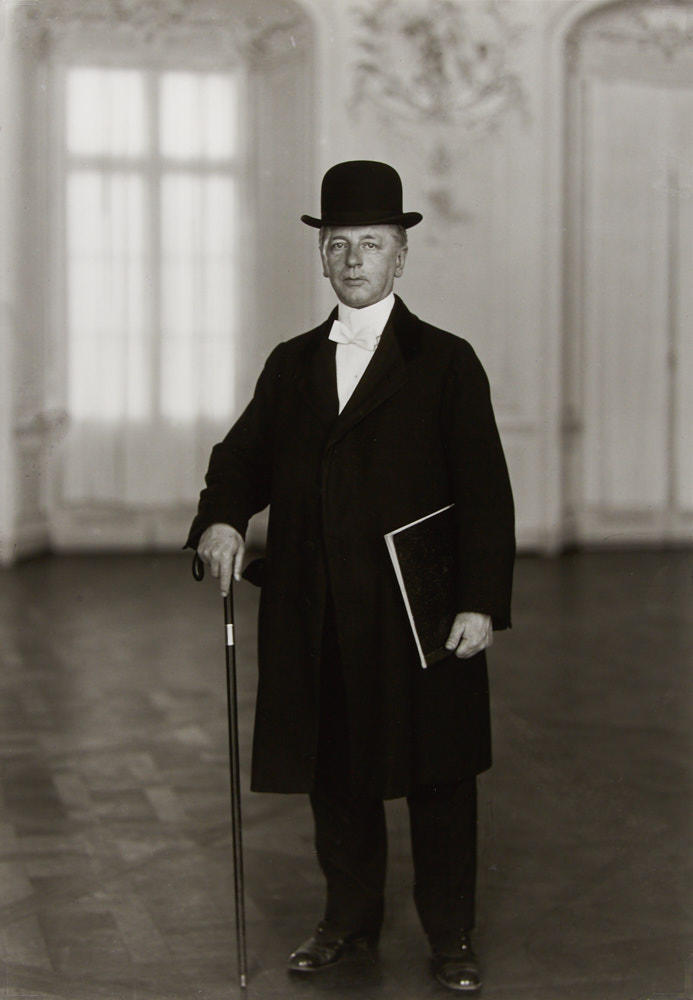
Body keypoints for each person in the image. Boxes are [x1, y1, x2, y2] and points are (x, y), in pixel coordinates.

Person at [186, 160, 515, 994]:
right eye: (339, 244)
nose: (354, 259)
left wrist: (480, 602)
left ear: (401, 255)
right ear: (321, 258)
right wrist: (222, 517)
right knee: (336, 777)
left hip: (419, 612)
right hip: (317, 609)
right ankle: (347, 922)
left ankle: (451, 936)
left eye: (372, 243)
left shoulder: (445, 363)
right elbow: (241, 458)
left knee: (437, 778)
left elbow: (484, 495)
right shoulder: (292, 364)